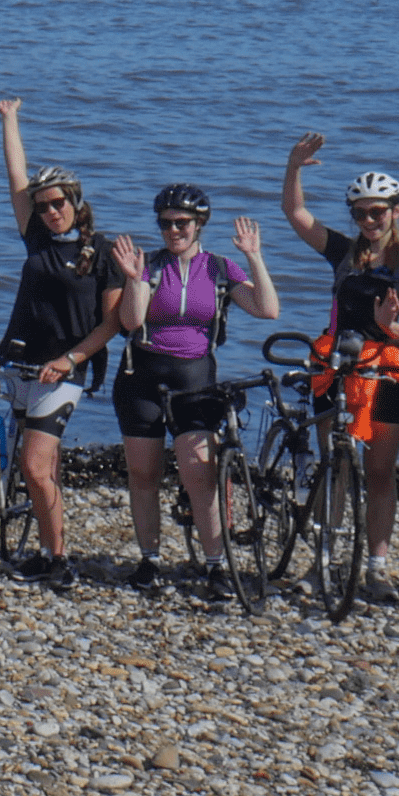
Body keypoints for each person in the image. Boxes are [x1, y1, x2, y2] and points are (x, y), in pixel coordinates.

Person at [106, 186, 281, 596]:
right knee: (143, 474)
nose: (173, 230)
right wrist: (133, 279)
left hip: (195, 378)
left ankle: (216, 565)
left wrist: (254, 257)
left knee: (199, 473)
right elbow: (131, 322)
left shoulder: (219, 268)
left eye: (181, 223)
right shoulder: (149, 264)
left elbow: (267, 309)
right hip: (141, 377)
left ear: (199, 224)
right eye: (165, 223)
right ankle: (149, 560)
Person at [281, 134, 399, 603]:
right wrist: (294, 166)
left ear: (396, 212)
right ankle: (322, 562)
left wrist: (390, 327)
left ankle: (377, 567)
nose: (368, 220)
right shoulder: (343, 253)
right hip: (340, 367)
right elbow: (296, 214)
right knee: (334, 467)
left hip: (388, 372)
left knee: (380, 472)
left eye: (377, 212)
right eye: (360, 213)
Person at [0, 99, 124, 587]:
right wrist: (10, 120)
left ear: (75, 202)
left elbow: (113, 324)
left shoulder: (103, 251)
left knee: (34, 464)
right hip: (20, 362)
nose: (50, 212)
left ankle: (60, 559)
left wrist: (70, 360)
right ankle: (48, 549)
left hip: (66, 370)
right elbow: (16, 177)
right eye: (43, 205)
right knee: (35, 466)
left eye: (58, 203)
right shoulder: (36, 239)